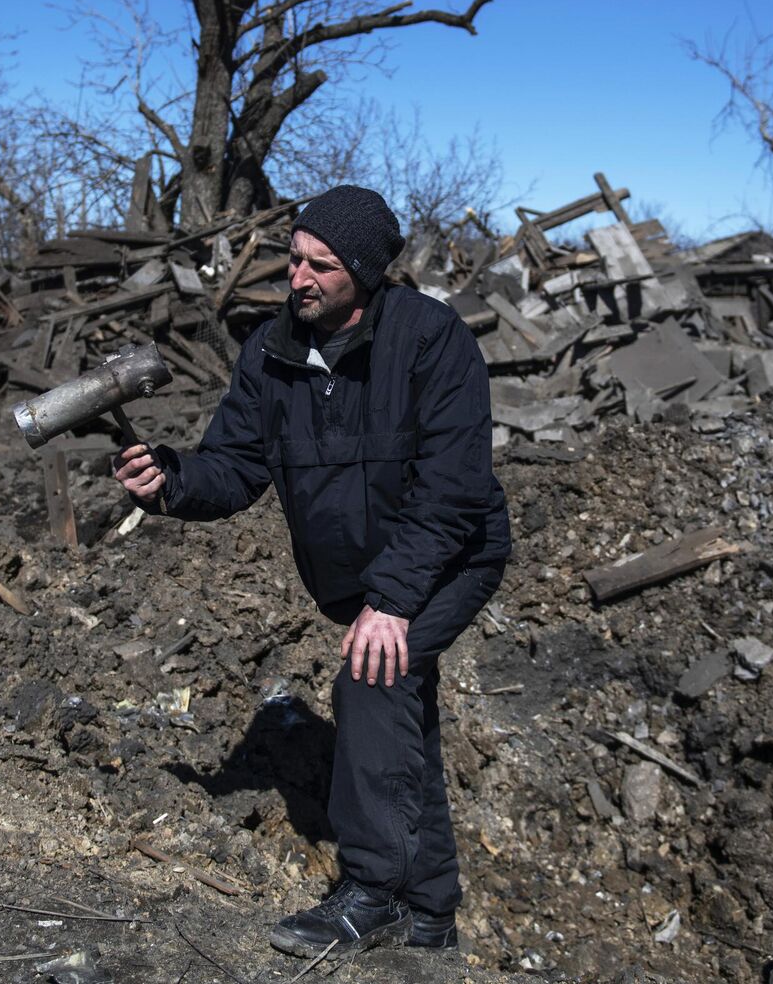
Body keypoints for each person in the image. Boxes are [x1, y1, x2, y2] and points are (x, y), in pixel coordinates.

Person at [113, 185, 510, 956]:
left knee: (373, 676)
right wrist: (171, 481)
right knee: (400, 710)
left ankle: (376, 893)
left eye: (320, 266)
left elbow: (452, 488)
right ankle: (429, 908)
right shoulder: (271, 351)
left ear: (362, 273)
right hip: (361, 576)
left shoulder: (429, 340)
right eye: (293, 259)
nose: (298, 278)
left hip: (449, 556)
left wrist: (393, 600)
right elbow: (233, 467)